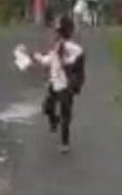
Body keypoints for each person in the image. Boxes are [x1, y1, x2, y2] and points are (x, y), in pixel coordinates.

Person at [31, 15, 85, 153]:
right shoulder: (56, 47)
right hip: (55, 83)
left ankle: (65, 143)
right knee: (47, 107)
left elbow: (74, 62)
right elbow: (48, 60)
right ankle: (54, 121)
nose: (55, 33)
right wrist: (37, 57)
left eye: (58, 31)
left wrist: (64, 58)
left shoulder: (73, 48)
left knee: (65, 114)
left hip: (66, 85)